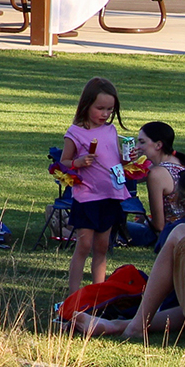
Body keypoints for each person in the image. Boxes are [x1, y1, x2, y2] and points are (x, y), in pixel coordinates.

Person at [74, 168, 185, 340]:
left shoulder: (174, 229)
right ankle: (120, 325)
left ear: (177, 199)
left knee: (181, 233)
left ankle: (131, 326)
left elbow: (166, 274)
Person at [60, 77, 129, 296]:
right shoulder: (75, 133)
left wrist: (127, 159)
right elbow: (63, 163)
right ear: (86, 104)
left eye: (110, 109)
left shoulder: (110, 131)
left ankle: (98, 292)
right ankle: (74, 294)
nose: (105, 114)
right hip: (87, 196)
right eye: (100, 108)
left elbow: (114, 158)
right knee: (84, 245)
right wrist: (78, 163)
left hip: (110, 194)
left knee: (102, 246)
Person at [135, 121, 185, 233]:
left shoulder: (157, 174)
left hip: (172, 233)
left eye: (142, 142)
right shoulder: (178, 161)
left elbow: (159, 226)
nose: (137, 147)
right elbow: (130, 179)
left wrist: (144, 220)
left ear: (158, 145)